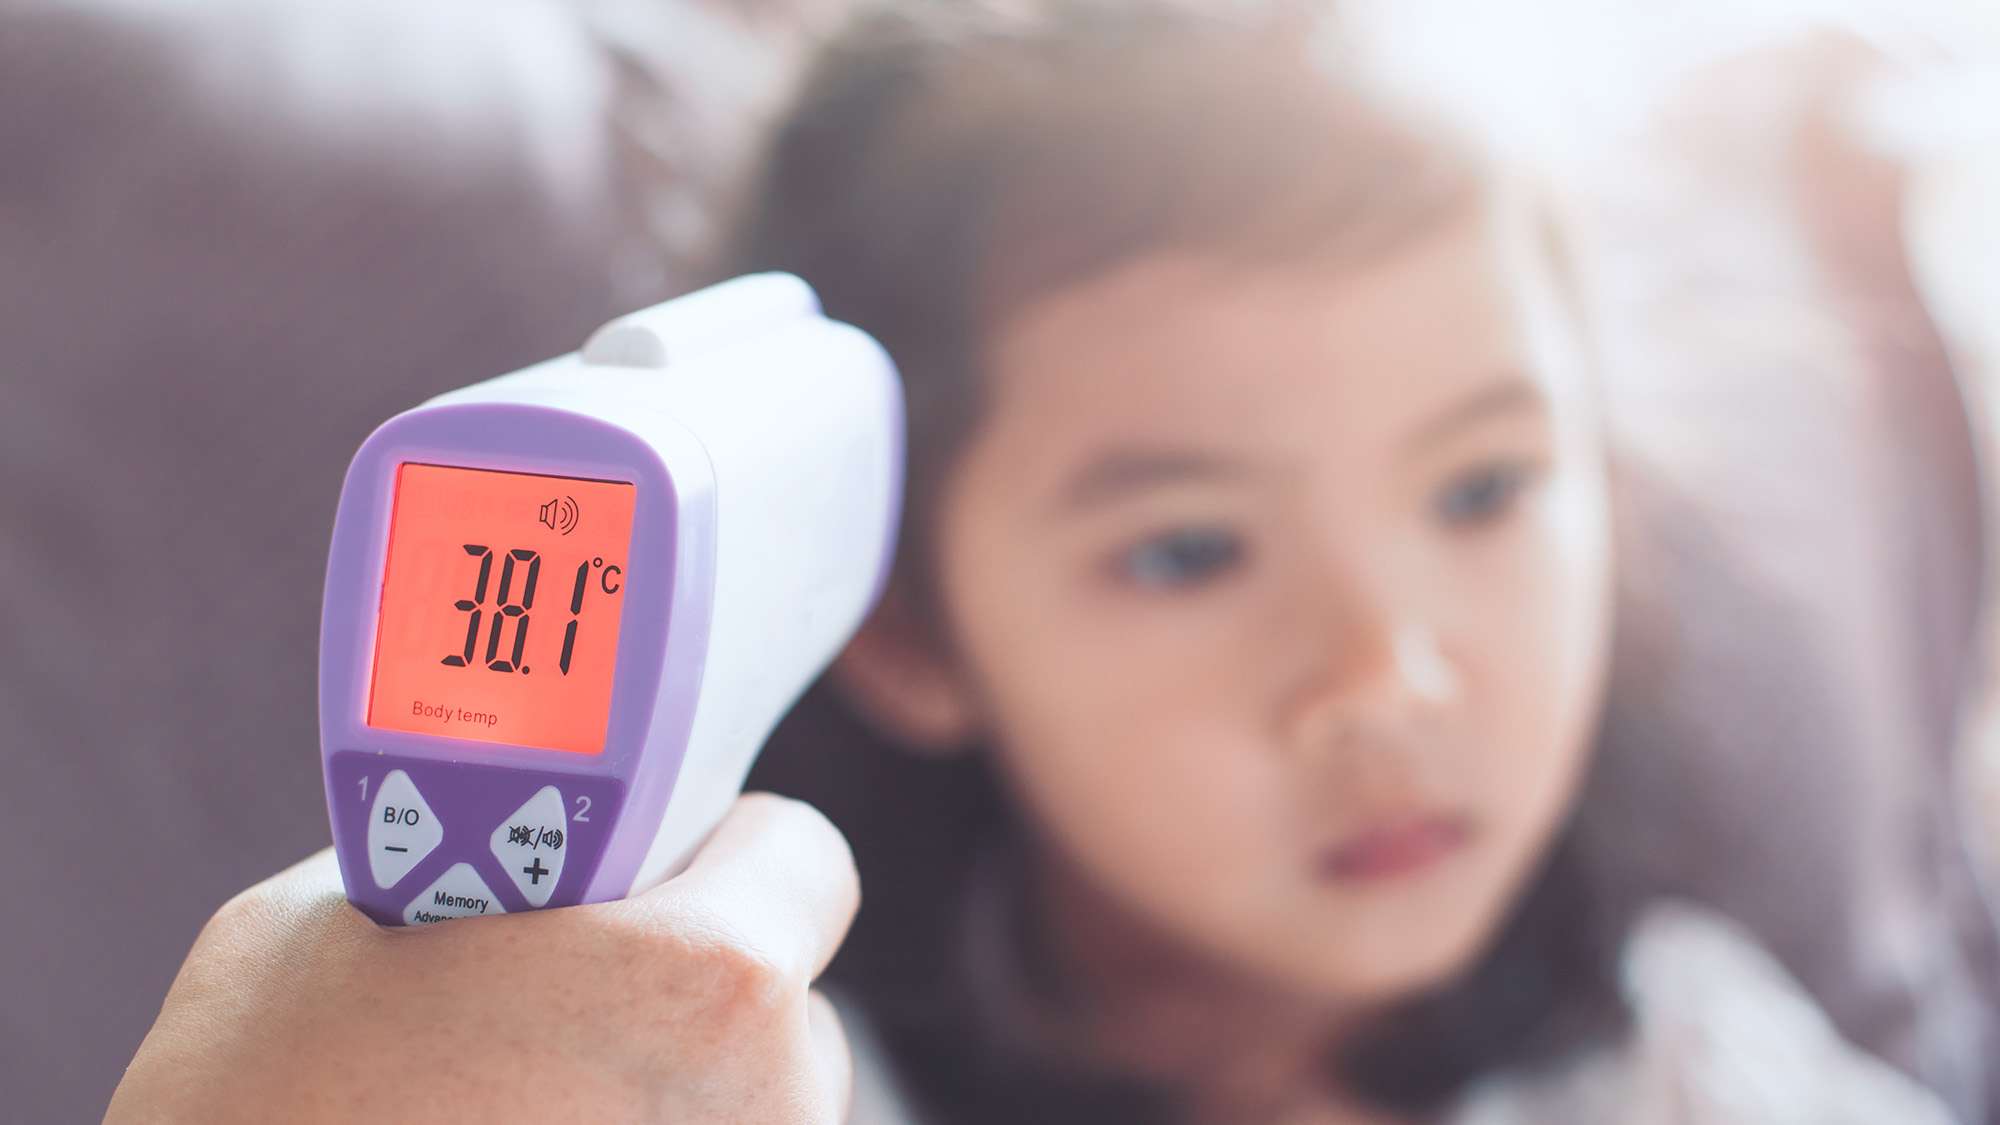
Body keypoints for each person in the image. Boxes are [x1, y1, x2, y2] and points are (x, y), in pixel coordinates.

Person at [110, 1, 2000, 1122]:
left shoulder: (1695, 1055)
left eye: (1488, 489)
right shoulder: (745, 1077)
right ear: (908, 620)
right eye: (1186, 547)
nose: (1389, 677)